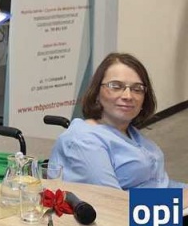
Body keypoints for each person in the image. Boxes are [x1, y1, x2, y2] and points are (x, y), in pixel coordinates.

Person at [49, 52, 186, 190]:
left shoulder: (129, 132)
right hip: (148, 203)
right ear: (97, 93)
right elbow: (112, 200)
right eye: (115, 86)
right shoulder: (84, 141)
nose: (128, 96)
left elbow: (160, 183)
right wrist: (178, 200)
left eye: (137, 89)